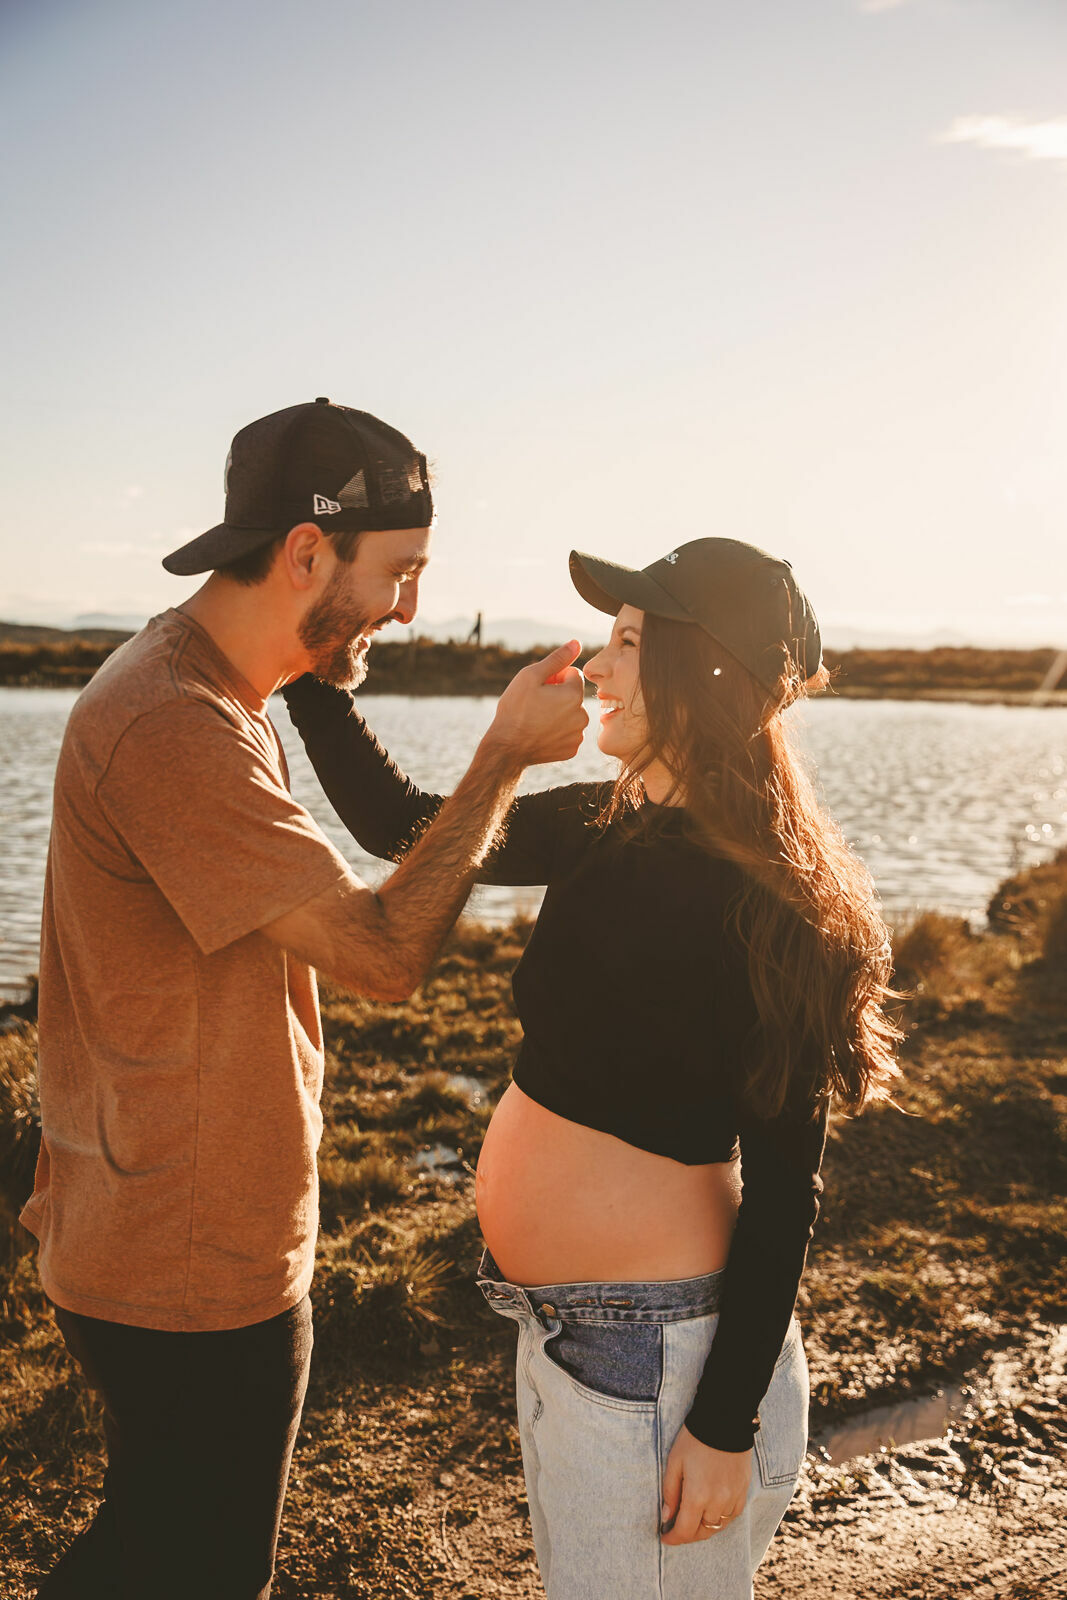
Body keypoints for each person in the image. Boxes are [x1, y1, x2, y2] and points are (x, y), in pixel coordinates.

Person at [20, 397, 588, 1600]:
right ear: (304, 553)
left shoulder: (219, 693)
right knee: (196, 1571)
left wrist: (320, 666)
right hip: (181, 1261)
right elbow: (382, 955)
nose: (411, 608)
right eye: (401, 573)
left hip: (163, 1221)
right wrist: (498, 757)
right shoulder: (174, 724)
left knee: (151, 1554)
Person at [283, 535, 901, 1600]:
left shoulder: (773, 904)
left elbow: (783, 1192)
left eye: (624, 642)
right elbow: (411, 830)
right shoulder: (599, 822)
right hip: (578, 1341)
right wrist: (314, 679)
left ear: (702, 671)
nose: (593, 668)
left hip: (665, 1362)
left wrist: (721, 1422)